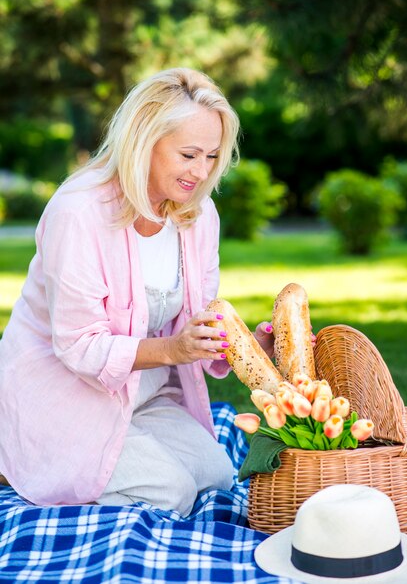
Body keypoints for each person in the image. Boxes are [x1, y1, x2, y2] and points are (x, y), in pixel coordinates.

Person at [0, 68, 274, 514]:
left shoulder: (199, 216)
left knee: (217, 476)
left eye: (212, 156)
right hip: (64, 397)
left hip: (141, 397)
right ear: (144, 140)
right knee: (173, 493)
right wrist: (172, 349)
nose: (201, 172)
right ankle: (16, 454)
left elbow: (194, 328)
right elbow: (78, 346)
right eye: (189, 154)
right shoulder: (79, 211)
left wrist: (244, 349)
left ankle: (105, 453)